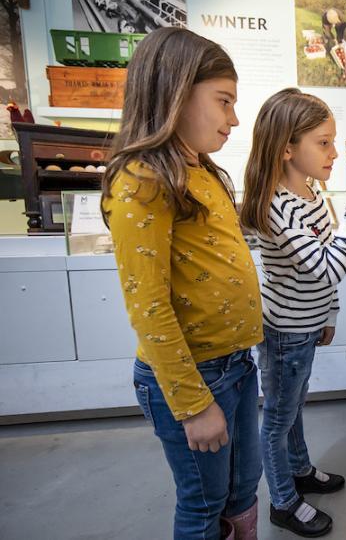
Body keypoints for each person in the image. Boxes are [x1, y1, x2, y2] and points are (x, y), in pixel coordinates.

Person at [101, 27, 263, 540]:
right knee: (204, 501)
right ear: (174, 92)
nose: (234, 119)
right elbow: (148, 307)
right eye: (223, 102)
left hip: (237, 364)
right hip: (192, 378)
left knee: (243, 487)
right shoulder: (143, 181)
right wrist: (193, 405)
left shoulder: (206, 173)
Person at [240, 87, 346, 537]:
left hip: (305, 326)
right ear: (287, 148)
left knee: (294, 406)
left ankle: (299, 471)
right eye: (323, 142)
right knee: (278, 417)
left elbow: (325, 264)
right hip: (283, 331)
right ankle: (282, 499)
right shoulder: (276, 207)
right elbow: (327, 266)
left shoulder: (312, 192)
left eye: (333, 141)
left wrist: (330, 314)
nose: (334, 152)